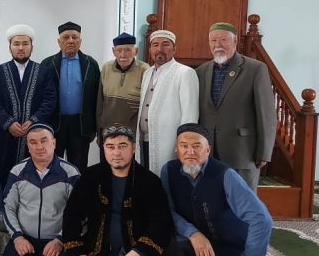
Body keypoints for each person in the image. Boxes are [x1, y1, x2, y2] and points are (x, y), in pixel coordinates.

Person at [162, 123, 272, 256]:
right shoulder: (168, 170)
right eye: (184, 146)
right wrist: (193, 233)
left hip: (230, 248)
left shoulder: (225, 175)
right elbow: (167, 211)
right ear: (176, 149)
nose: (190, 152)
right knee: (164, 238)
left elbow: (261, 219)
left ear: (208, 150)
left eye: (196, 146)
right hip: (193, 240)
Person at [62, 125, 173, 256]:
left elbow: (162, 223)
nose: (116, 152)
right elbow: (72, 215)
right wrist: (76, 253)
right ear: (103, 149)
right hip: (99, 249)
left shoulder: (149, 181)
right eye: (110, 147)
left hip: (138, 250)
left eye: (122, 146)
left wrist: (138, 252)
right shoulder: (91, 177)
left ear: (133, 148)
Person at [195, 22, 276, 191]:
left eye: (223, 40)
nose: (218, 45)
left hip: (242, 152)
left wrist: (264, 152)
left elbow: (266, 114)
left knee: (242, 201)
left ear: (235, 41)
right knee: (212, 198)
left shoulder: (255, 69)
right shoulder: (201, 72)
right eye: (213, 40)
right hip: (208, 152)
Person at [1, 124, 78, 256]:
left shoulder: (70, 173)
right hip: (25, 237)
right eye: (33, 142)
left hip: (55, 239)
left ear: (54, 143)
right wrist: (18, 238)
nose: (39, 147)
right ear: (28, 147)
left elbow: (79, 213)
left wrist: (60, 240)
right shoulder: (17, 171)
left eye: (44, 141)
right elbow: (8, 207)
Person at [0, 24, 57, 186]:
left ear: (31, 47)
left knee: (33, 175)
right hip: (6, 135)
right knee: (5, 173)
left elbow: (50, 100)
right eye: (16, 44)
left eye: (25, 44)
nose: (21, 48)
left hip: (35, 134)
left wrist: (33, 121)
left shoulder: (43, 71)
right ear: (10, 48)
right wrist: (9, 123)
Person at [136, 30, 199, 176]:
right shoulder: (147, 73)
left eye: (165, 44)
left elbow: (190, 114)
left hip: (169, 143)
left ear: (174, 49)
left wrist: (184, 146)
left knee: (167, 181)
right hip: (144, 141)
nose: (159, 49)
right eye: (155, 45)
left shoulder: (185, 73)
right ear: (150, 49)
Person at [41, 22, 100, 173]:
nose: (70, 41)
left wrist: (94, 127)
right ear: (58, 41)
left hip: (80, 125)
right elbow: (40, 97)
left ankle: (78, 190)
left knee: (78, 168)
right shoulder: (47, 64)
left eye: (75, 37)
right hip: (54, 125)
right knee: (52, 167)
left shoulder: (91, 64)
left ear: (81, 41)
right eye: (66, 37)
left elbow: (96, 97)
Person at [97, 32, 149, 136]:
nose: (123, 55)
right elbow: (100, 102)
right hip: (107, 130)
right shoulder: (106, 68)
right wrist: (99, 131)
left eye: (128, 50)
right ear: (113, 51)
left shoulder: (145, 70)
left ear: (136, 51)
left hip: (133, 132)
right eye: (119, 50)